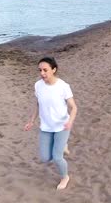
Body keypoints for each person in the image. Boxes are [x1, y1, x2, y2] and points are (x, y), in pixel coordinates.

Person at [24, 56, 78, 190]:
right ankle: (62, 145)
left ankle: (65, 177)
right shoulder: (38, 85)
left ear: (54, 70)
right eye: (40, 70)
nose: (42, 73)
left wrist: (70, 122)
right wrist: (31, 121)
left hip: (62, 126)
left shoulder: (63, 86)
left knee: (57, 157)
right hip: (46, 127)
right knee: (45, 158)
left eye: (45, 70)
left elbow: (74, 107)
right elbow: (37, 104)